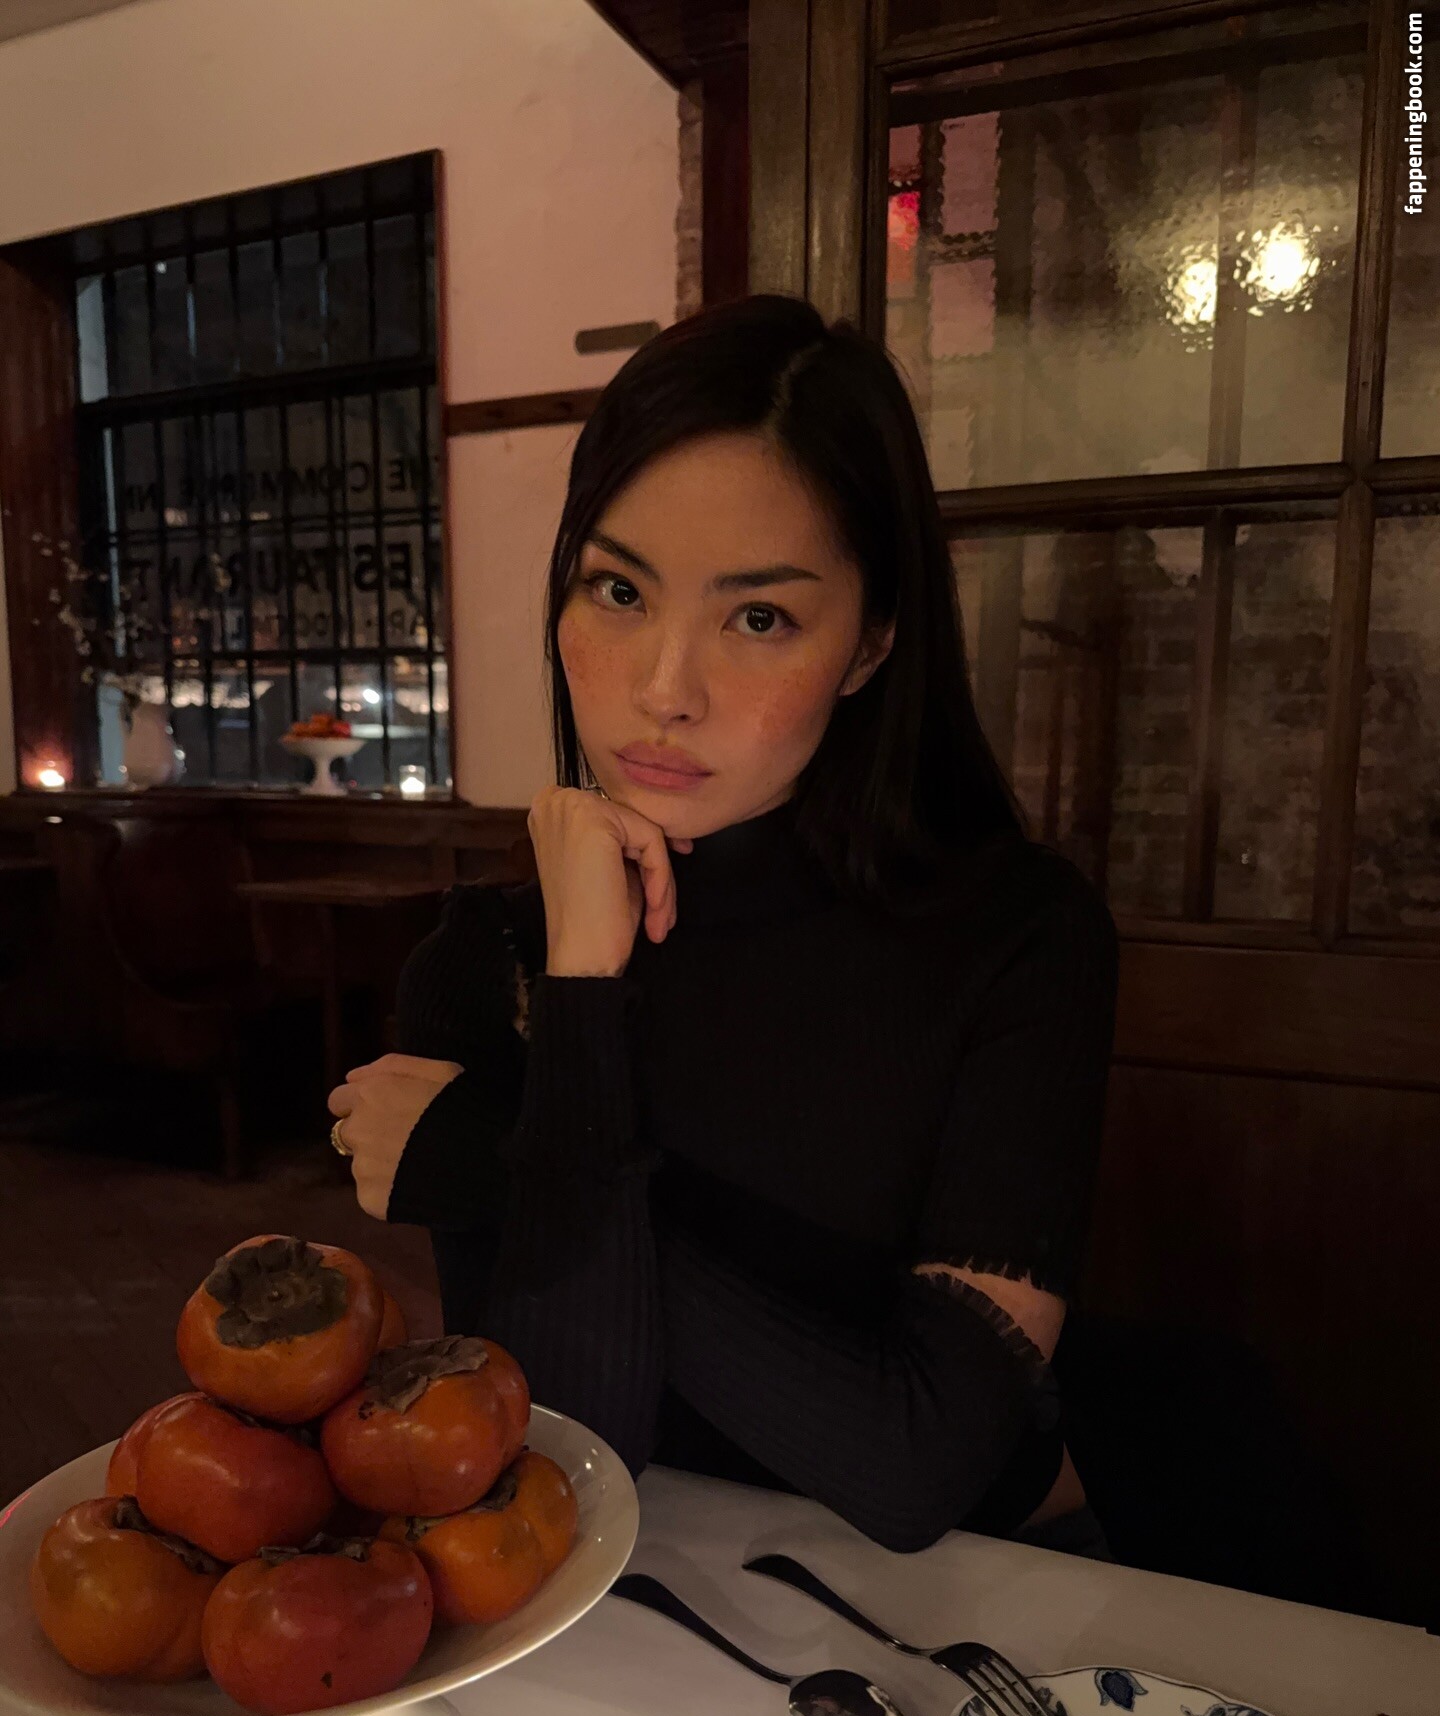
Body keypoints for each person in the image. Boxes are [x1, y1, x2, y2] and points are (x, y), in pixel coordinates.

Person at [328, 294, 1118, 1559]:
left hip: (985, 1591)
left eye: (759, 617)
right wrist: (582, 988)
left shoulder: (1016, 935)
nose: (664, 690)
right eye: (618, 589)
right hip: (649, 1580)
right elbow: (575, 1434)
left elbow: (919, 1466)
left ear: (871, 643)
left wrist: (506, 1159)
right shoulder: (493, 962)